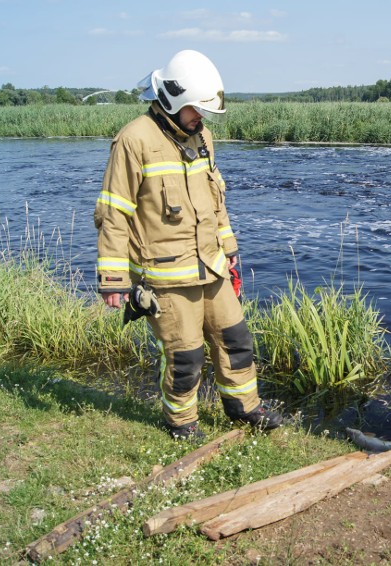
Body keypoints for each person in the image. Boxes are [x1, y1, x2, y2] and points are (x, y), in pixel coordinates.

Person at [94, 50, 282, 440]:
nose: (202, 118)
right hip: (165, 276)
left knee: (236, 341)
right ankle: (182, 423)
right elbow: (113, 212)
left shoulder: (202, 137)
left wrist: (228, 248)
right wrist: (113, 277)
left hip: (211, 266)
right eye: (196, 110)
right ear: (172, 101)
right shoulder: (134, 140)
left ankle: (244, 407)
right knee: (185, 358)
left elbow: (215, 199)